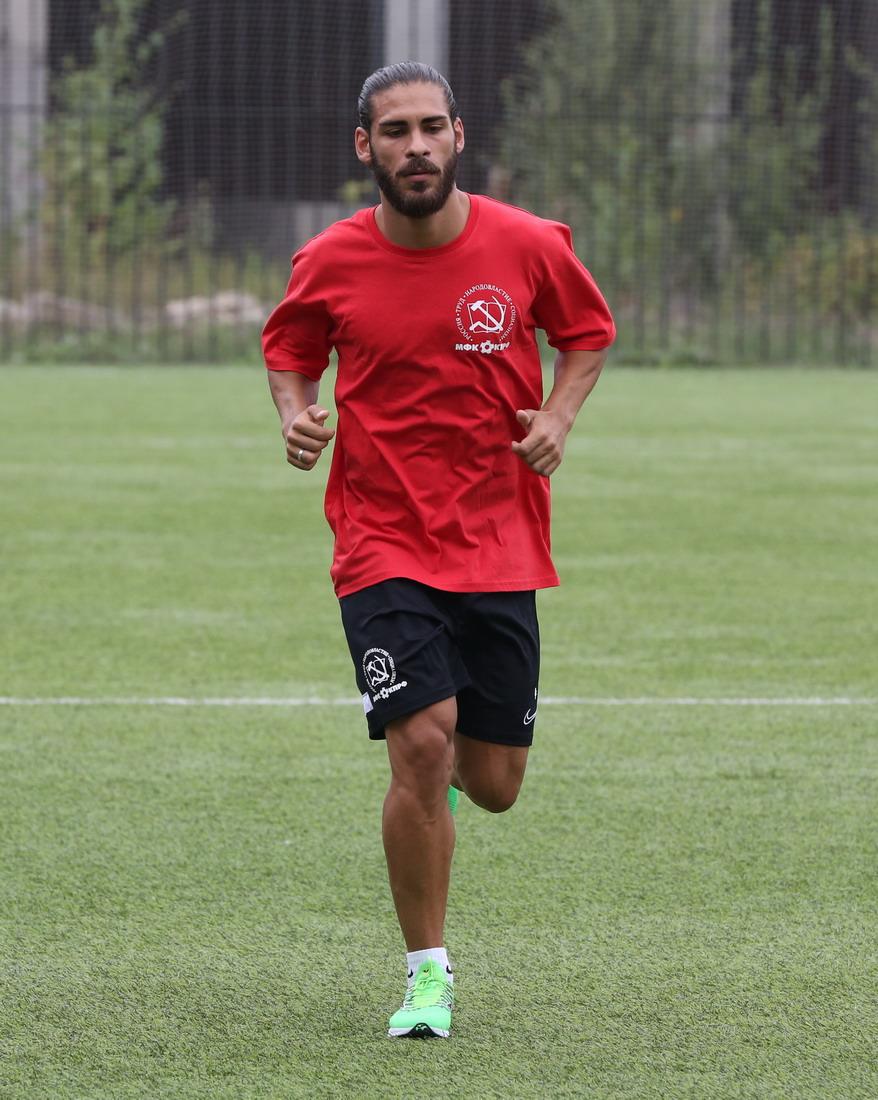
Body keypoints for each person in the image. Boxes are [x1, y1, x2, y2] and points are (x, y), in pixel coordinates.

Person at [262, 62, 615, 1039]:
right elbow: (289, 350)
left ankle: (447, 759)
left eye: (429, 127)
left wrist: (558, 414)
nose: (413, 146)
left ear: (459, 134)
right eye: (394, 131)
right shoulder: (329, 259)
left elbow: (587, 333)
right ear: (363, 147)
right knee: (419, 744)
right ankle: (427, 974)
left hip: (499, 538)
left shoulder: (527, 244)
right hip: (379, 538)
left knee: (492, 785)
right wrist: (295, 413)